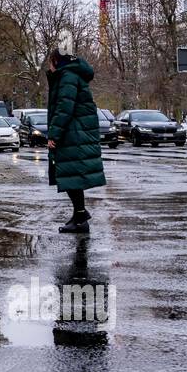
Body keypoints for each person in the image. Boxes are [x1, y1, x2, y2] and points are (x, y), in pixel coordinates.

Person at [45, 48, 107, 234]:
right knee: (71, 176)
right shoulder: (71, 75)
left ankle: (80, 217)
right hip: (75, 133)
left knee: (68, 175)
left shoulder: (67, 77)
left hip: (73, 134)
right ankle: (79, 215)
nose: (49, 66)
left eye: (50, 62)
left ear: (56, 61)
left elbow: (65, 108)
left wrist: (54, 135)